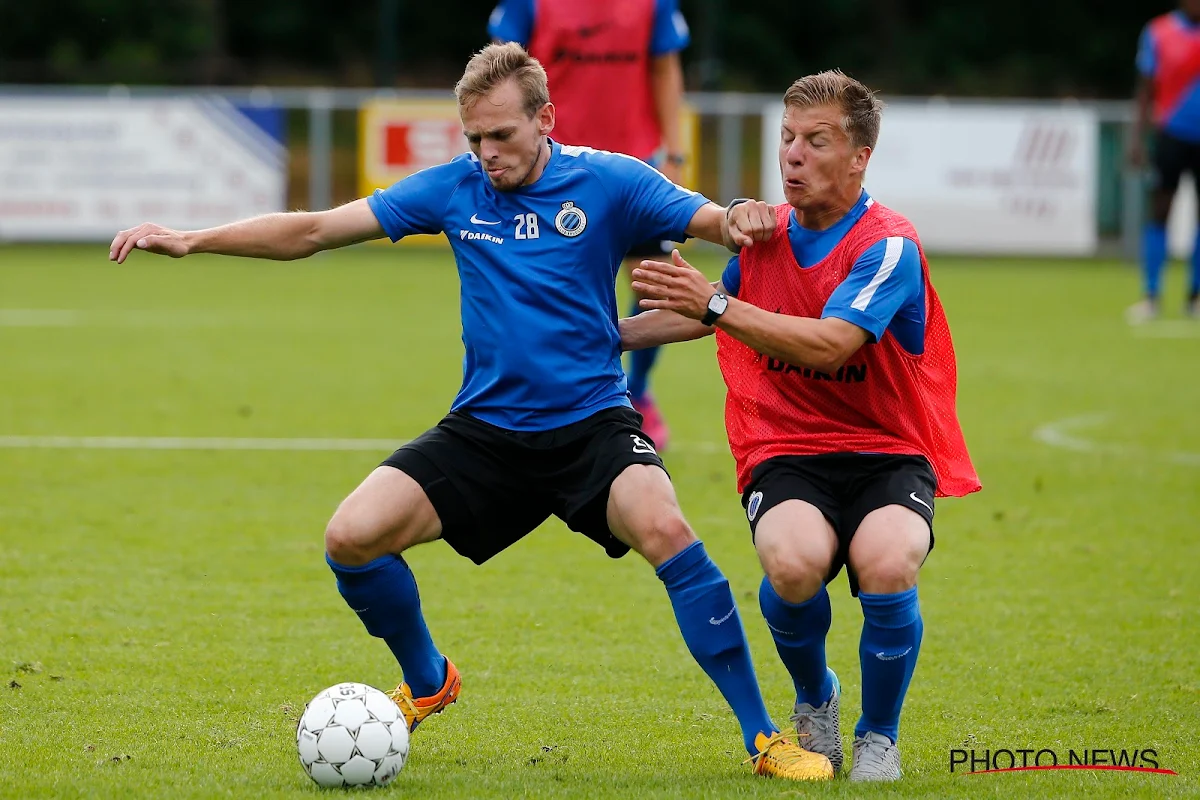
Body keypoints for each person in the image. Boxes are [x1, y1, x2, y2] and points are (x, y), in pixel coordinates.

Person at [108, 43, 833, 781]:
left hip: (591, 427)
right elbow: (316, 230)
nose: (487, 154)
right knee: (350, 538)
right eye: (475, 138)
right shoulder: (454, 191)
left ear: (544, 119)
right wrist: (194, 239)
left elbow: (718, 222)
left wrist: (744, 214)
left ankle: (763, 738)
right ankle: (429, 679)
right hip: (484, 432)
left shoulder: (612, 182)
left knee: (668, 529)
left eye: (502, 136)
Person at [620, 70, 981, 781]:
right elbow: (706, 308)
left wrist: (713, 307)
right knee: (790, 564)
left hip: (888, 451)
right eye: (787, 138)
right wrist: (602, 336)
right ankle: (816, 696)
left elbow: (829, 342)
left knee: (887, 561)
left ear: (859, 158)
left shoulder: (888, 247)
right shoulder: (762, 238)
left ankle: (880, 732)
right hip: (787, 448)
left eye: (817, 141)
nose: (793, 155)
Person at [489, 0, 692, 448]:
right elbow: (500, 72)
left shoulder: (653, 5)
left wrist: (674, 152)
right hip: (552, 169)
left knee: (656, 281)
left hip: (636, 169)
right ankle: (554, 392)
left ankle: (636, 392)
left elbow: (664, 69)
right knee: (548, 287)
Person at [1129, 0, 1200, 323]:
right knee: (1160, 211)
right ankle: (1151, 295)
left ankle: (1195, 297)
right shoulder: (1159, 32)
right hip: (1170, 134)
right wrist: (1136, 138)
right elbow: (1145, 88)